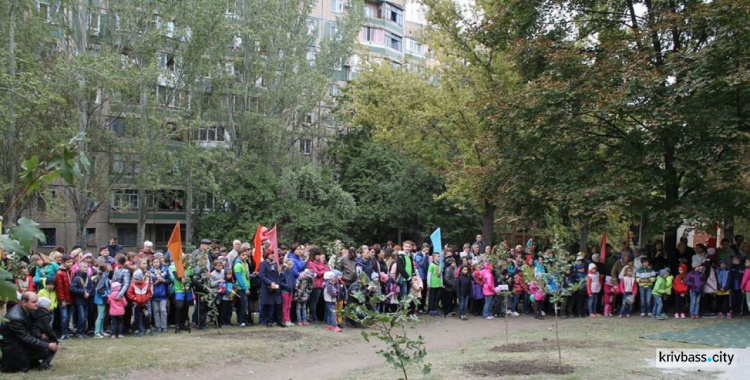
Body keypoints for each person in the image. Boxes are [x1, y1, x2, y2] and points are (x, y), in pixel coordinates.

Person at [0, 292, 57, 372]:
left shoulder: (26, 310)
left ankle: (35, 363)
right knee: (48, 347)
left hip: (19, 344)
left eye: (37, 301)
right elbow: (25, 338)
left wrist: (41, 334)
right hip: (14, 350)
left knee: (49, 343)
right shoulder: (16, 318)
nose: (37, 304)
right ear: (24, 302)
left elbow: (30, 330)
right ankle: (34, 363)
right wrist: (47, 345)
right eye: (34, 302)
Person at [69, 261, 94, 339]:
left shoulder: (88, 278)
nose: (86, 268)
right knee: (82, 317)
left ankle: (82, 332)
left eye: (87, 267)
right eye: (84, 267)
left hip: (86, 300)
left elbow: (91, 287)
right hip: (79, 301)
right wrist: (83, 292)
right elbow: (72, 288)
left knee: (85, 317)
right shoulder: (76, 278)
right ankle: (79, 332)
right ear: (79, 268)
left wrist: (88, 293)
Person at [258, 250, 282, 327]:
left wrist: (277, 283)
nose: (272, 255)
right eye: (271, 254)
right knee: (268, 305)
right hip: (267, 287)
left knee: (278, 303)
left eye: (273, 254)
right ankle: (268, 321)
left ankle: (279, 321)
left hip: (275, 286)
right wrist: (270, 282)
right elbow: (261, 275)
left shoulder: (274, 264)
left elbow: (277, 275)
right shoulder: (263, 264)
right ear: (266, 255)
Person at [127, 270, 153, 337]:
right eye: (134, 278)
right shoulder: (133, 285)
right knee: (136, 318)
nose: (135, 280)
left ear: (140, 278)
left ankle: (148, 329)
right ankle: (136, 330)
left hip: (144, 304)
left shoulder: (146, 284)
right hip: (136, 305)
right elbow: (129, 293)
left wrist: (146, 298)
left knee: (146, 316)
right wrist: (135, 298)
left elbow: (149, 292)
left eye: (136, 279)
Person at [307, 247, 330, 323]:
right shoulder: (310, 263)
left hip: (322, 284)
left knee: (321, 302)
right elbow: (317, 273)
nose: (319, 257)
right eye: (318, 255)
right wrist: (323, 271)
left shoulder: (319, 263)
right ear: (314, 255)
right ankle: (314, 317)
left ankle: (320, 317)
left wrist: (322, 270)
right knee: (314, 302)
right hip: (315, 285)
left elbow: (328, 270)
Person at [54, 254, 74, 340]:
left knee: (68, 317)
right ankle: (63, 333)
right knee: (64, 317)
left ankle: (67, 333)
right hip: (64, 299)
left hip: (71, 298)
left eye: (71, 262)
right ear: (63, 263)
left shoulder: (72, 272)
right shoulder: (60, 273)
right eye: (68, 262)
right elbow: (59, 288)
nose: (70, 264)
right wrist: (62, 300)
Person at [150, 257, 170, 333]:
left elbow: (169, 281)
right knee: (156, 311)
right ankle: (157, 326)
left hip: (163, 294)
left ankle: (164, 326)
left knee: (163, 310)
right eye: (154, 262)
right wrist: (155, 283)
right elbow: (149, 283)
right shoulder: (150, 272)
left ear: (160, 263)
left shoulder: (165, 270)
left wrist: (163, 280)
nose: (156, 264)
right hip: (154, 295)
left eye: (157, 262)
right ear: (152, 263)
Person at [233, 246, 251, 327]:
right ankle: (241, 321)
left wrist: (252, 275)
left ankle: (244, 320)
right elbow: (239, 278)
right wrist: (245, 288)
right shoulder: (237, 265)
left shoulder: (245, 263)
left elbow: (246, 275)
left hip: (246, 286)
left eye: (245, 255)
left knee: (245, 305)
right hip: (241, 288)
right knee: (243, 305)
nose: (245, 256)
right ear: (239, 255)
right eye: (243, 255)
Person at [92, 263, 111, 338]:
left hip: (102, 299)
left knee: (103, 315)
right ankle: (97, 332)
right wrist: (107, 294)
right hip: (100, 299)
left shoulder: (104, 276)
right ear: (106, 269)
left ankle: (101, 331)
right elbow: (99, 289)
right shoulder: (102, 277)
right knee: (100, 315)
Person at [280, 258, 295, 327]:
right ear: (286, 264)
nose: (290, 266)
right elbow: (280, 282)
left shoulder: (292, 272)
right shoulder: (283, 273)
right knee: (285, 306)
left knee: (289, 306)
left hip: (291, 291)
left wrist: (293, 286)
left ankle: (288, 319)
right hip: (285, 291)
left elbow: (293, 280)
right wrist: (286, 285)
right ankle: (285, 320)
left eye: (291, 264)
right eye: (289, 264)